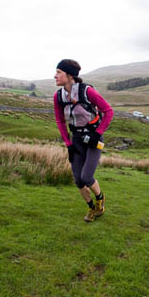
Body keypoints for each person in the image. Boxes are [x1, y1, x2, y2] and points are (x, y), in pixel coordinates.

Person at [53, 59, 114, 222]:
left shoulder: (87, 91)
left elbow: (108, 111)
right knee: (78, 180)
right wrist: (68, 144)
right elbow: (60, 120)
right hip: (76, 139)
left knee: (87, 176)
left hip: (93, 138)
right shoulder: (58, 96)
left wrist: (98, 133)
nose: (55, 76)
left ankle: (100, 199)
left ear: (70, 75)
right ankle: (92, 209)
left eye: (59, 72)